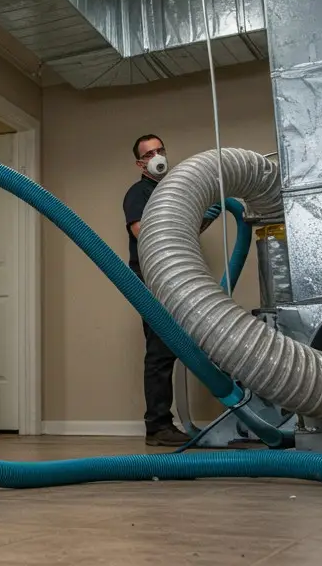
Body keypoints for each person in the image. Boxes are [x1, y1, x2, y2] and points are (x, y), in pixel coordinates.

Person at [121, 134, 220, 446]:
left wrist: (203, 219)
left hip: (176, 274)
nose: (157, 156)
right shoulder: (138, 193)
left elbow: (183, 232)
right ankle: (158, 426)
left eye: (160, 150)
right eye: (150, 153)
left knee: (182, 345)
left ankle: (164, 423)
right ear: (140, 163)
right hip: (150, 276)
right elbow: (143, 233)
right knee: (161, 350)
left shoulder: (173, 189)